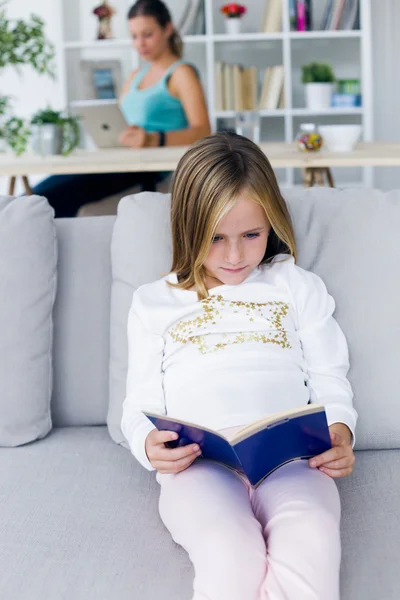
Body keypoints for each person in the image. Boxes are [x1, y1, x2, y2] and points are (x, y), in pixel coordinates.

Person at [121, 132, 358, 600]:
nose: (234, 256)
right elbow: (139, 405)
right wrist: (147, 445)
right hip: (199, 467)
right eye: (215, 239)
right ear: (188, 228)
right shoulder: (153, 303)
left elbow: (332, 376)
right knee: (230, 554)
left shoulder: (295, 285)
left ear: (272, 222)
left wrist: (341, 431)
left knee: (312, 542)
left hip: (292, 459)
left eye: (252, 235)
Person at [32, 0, 210, 217]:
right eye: (134, 36)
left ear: (168, 29)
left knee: (48, 199)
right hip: (121, 160)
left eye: (147, 34)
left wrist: (153, 140)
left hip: (147, 167)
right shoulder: (136, 75)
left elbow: (203, 131)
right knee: (34, 196)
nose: (140, 43)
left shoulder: (181, 73)